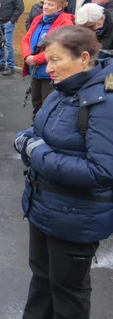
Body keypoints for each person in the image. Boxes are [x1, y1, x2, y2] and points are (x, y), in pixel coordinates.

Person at [14, 26, 113, 319]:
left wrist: (37, 152)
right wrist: (25, 138)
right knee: (42, 279)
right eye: (48, 59)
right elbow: (40, 128)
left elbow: (102, 171)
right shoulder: (65, 88)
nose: (49, 67)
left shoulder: (103, 103)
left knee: (67, 292)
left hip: (76, 216)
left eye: (56, 60)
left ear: (84, 58)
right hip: (43, 205)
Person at [21, 0, 74, 116]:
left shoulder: (65, 23)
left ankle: (44, 129)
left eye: (50, 4)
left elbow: (60, 48)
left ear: (60, 7)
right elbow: (25, 39)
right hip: (35, 69)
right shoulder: (38, 19)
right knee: (36, 101)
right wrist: (27, 56)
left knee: (47, 104)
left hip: (50, 71)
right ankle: (35, 127)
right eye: (45, 3)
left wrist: (37, 59)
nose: (46, 6)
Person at [0, 0, 24, 76]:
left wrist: (11, 20)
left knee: (8, 44)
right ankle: (0, 64)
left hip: (8, 22)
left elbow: (20, 8)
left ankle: (10, 66)